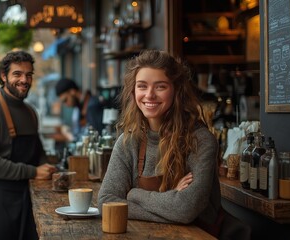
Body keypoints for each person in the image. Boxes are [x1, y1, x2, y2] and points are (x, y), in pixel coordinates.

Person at [98, 50, 250, 239]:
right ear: (133, 91)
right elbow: (106, 203)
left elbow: (185, 210)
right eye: (142, 86)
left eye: (160, 87)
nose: (149, 95)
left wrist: (135, 194)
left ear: (176, 90)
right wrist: (170, 202)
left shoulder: (199, 140)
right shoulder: (129, 141)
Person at [0, 50, 57, 240]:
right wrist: (33, 172)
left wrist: (50, 168)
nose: (24, 80)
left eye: (28, 75)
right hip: (0, 203)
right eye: (17, 74)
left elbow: (37, 150)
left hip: (30, 200)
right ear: (4, 76)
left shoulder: (31, 112)